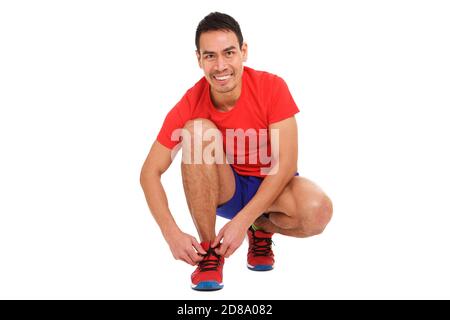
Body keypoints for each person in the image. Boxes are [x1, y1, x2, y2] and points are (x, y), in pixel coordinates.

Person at [140, 12, 333, 291]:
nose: (220, 66)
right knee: (196, 131)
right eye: (210, 56)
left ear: (243, 51)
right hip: (226, 189)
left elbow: (287, 164)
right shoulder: (191, 101)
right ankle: (209, 253)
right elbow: (149, 172)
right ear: (199, 59)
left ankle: (261, 228)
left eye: (228, 53)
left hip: (273, 187)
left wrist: (244, 222)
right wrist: (170, 233)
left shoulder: (271, 87)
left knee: (318, 210)